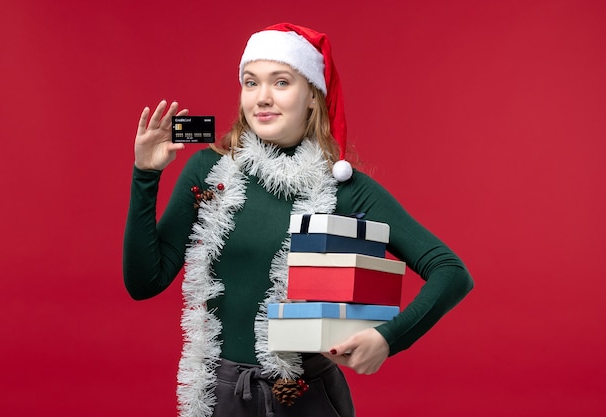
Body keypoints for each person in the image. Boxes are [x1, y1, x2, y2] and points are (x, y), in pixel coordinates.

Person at [123, 22, 473, 417]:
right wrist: (145, 175)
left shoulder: (343, 186)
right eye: (251, 83)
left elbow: (451, 271)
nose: (263, 98)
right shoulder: (209, 171)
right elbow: (144, 283)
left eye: (282, 82)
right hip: (216, 396)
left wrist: (389, 338)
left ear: (312, 95)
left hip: (306, 398)